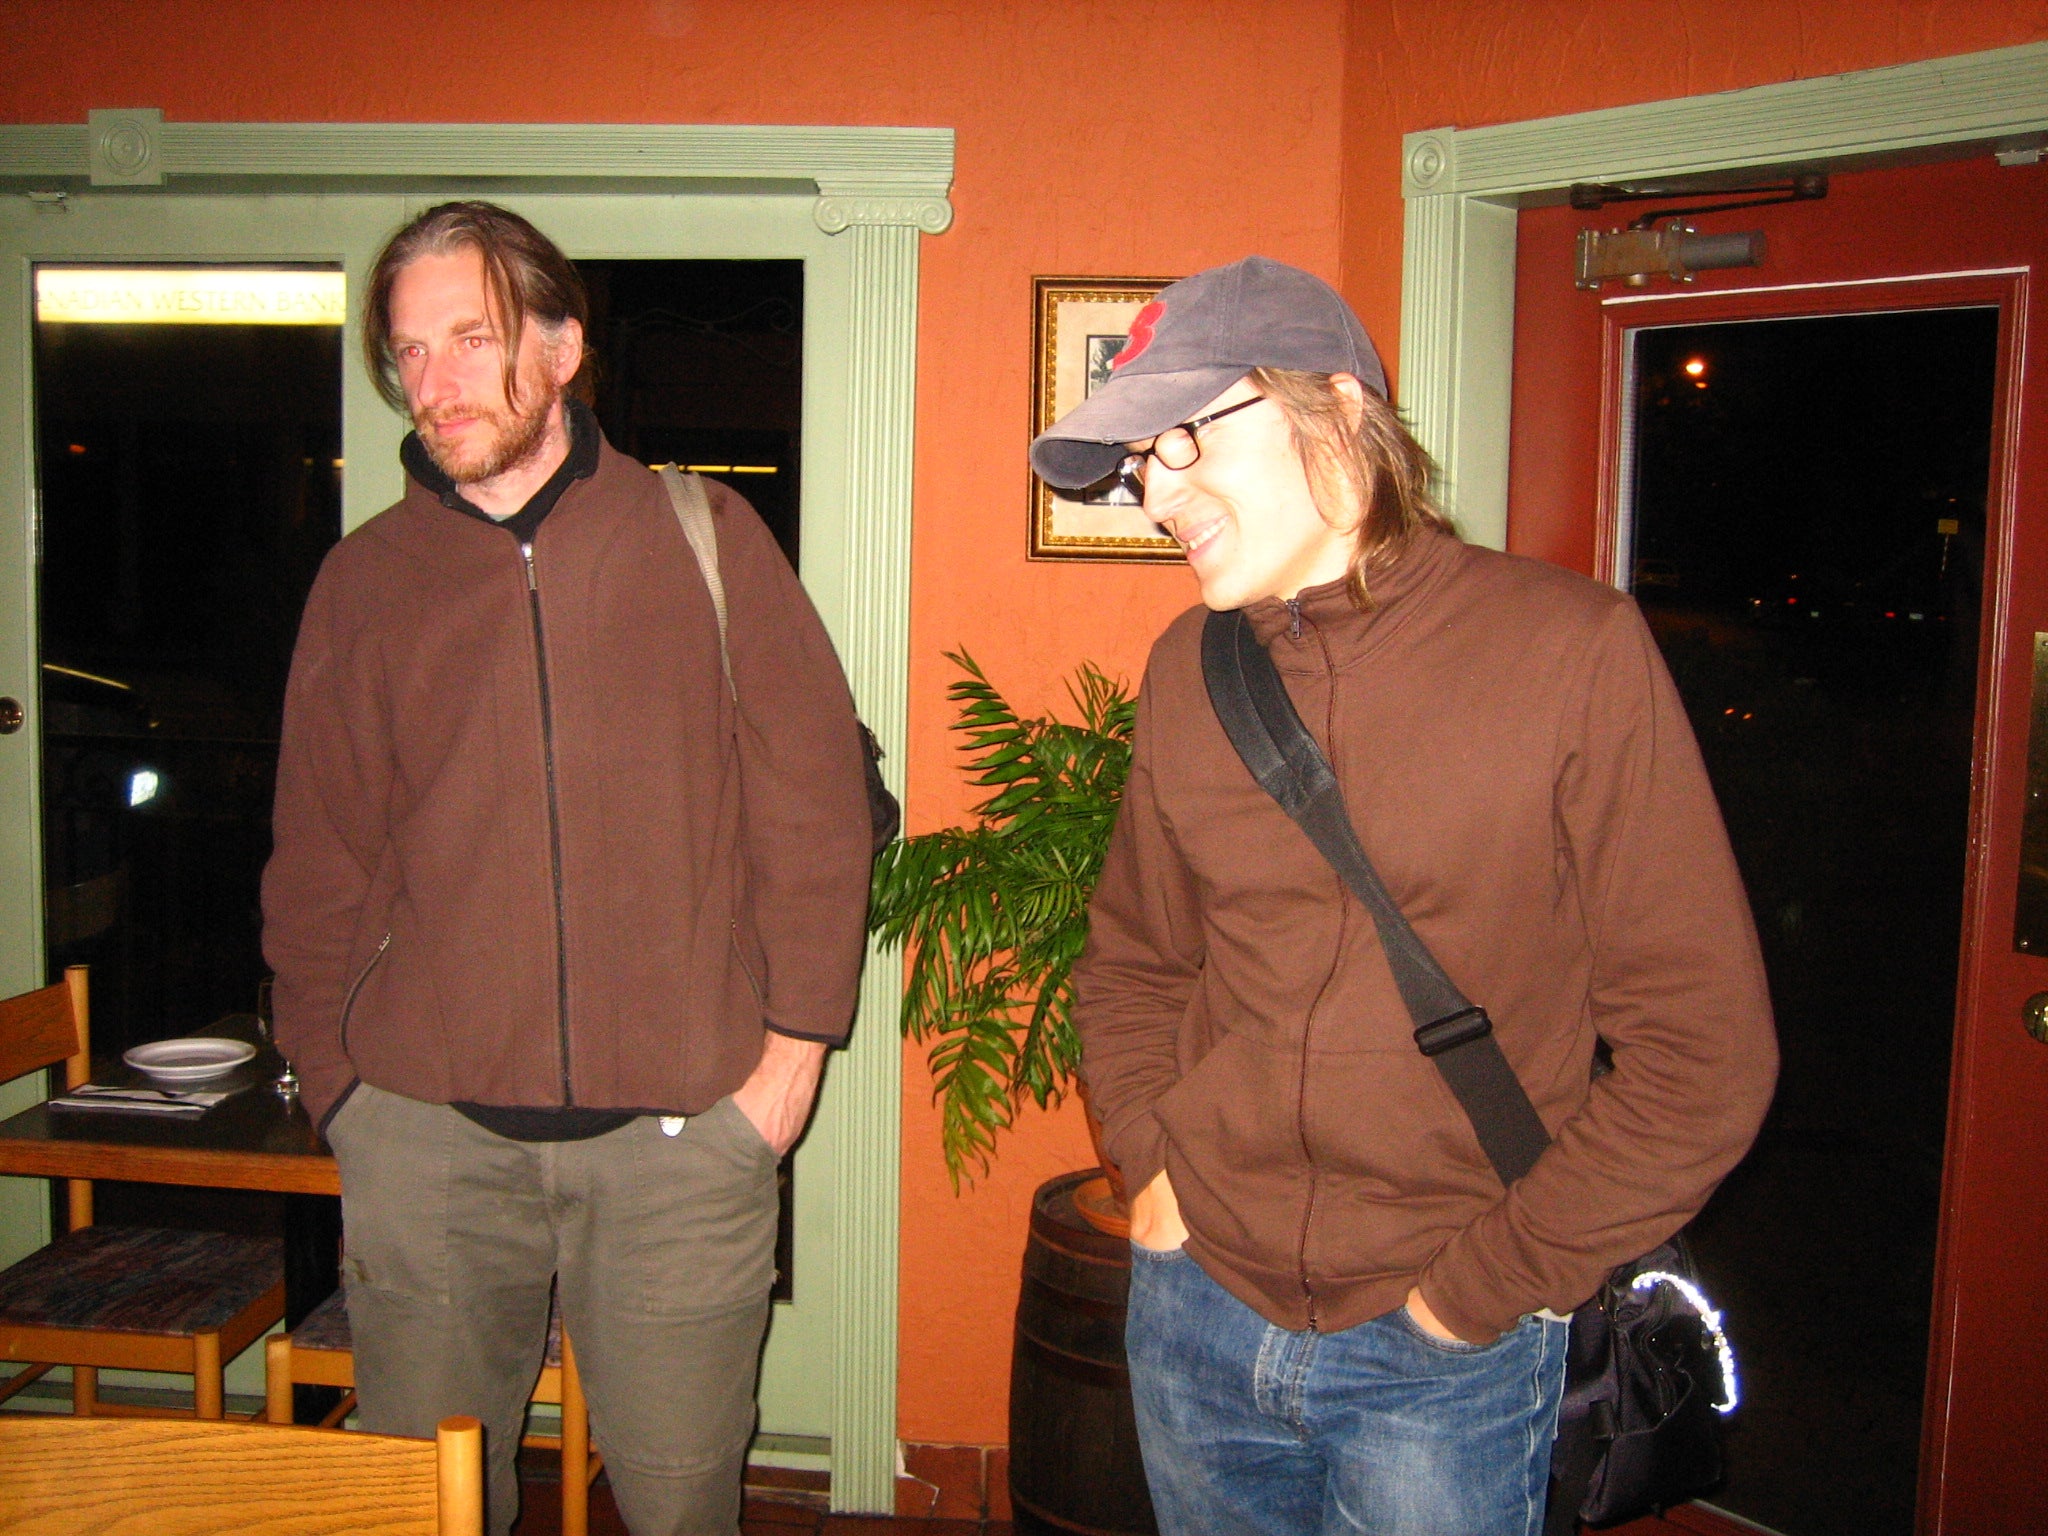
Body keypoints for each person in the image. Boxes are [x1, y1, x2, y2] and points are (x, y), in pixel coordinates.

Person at [1033, 256, 1777, 1536]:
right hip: (1198, 1310)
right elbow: (1135, 959)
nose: (1155, 492)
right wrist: (1153, 1168)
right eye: (1136, 465)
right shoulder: (1187, 669)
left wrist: (1477, 1291)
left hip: (1446, 1350)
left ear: (1334, 407)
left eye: (1183, 438)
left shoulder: (1570, 650)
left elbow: (1702, 1055)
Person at [262, 201, 872, 1536]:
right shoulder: (366, 584)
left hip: (681, 1140)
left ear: (561, 348)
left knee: (677, 1504)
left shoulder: (708, 541)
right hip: (423, 1139)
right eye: (410, 352)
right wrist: (343, 1088)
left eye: (469, 340)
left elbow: (819, 809)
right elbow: (316, 856)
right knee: (426, 1509)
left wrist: (789, 1061)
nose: (434, 383)